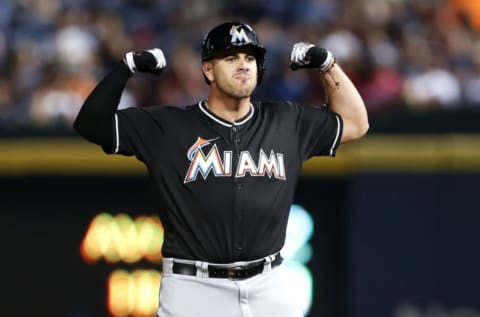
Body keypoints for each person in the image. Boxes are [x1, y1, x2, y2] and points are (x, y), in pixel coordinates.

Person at [73, 21, 368, 317]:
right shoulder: (168, 126)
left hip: (270, 283)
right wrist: (127, 66)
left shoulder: (286, 121)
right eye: (230, 58)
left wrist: (328, 65)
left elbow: (356, 123)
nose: (243, 65)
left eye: (250, 58)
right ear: (208, 70)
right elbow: (91, 124)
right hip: (194, 287)